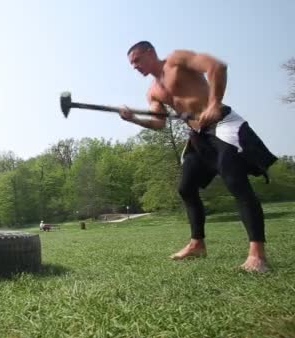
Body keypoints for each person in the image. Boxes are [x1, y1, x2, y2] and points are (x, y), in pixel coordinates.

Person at [118, 41, 277, 272]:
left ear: (150, 52)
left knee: (236, 182)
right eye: (131, 64)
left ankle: (257, 255)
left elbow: (217, 67)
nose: (135, 66)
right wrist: (133, 119)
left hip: (222, 123)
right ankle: (197, 244)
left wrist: (214, 103)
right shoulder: (153, 91)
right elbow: (159, 123)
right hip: (198, 136)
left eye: (137, 60)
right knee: (186, 187)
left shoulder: (177, 60)